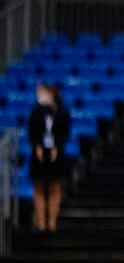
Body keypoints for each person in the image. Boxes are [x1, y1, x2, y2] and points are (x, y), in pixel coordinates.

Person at [26, 83, 71, 234]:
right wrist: (37, 145)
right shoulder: (36, 111)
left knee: (54, 186)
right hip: (39, 153)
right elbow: (32, 131)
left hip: (56, 153)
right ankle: (41, 223)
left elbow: (65, 132)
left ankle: (52, 223)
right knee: (38, 186)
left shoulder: (62, 112)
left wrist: (57, 146)